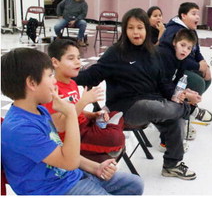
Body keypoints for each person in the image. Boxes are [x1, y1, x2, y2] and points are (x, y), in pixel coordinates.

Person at [73, 8, 196, 180]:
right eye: (130, 28)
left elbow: (163, 83)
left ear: (146, 29)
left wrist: (178, 95)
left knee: (173, 117)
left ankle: (172, 165)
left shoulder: (154, 53)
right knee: (161, 108)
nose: (135, 32)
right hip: (125, 108)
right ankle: (187, 110)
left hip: (152, 104)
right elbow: (93, 74)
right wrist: (66, 77)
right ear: (124, 30)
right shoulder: (116, 53)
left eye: (140, 27)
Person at [1, 48, 143, 195]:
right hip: (54, 190)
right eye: (50, 75)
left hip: (71, 177)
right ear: (32, 83)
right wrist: (69, 113)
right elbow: (69, 162)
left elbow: (60, 149)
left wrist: (95, 168)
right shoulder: (20, 128)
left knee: (135, 184)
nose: (54, 81)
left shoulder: (40, 111)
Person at [42, 39, 126, 163]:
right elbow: (59, 126)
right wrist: (83, 101)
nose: (77, 62)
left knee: (115, 114)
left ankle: (105, 133)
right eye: (71, 58)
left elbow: (78, 111)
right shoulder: (52, 90)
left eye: (78, 57)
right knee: (114, 138)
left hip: (84, 125)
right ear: (55, 62)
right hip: (73, 136)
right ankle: (107, 142)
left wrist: (92, 115)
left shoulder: (72, 83)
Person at [160, 2, 212, 122]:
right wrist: (199, 66)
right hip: (176, 68)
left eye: (198, 14)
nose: (197, 17)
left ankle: (189, 105)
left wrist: (204, 64)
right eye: (193, 14)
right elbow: (178, 59)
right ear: (183, 16)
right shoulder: (173, 31)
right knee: (198, 82)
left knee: (207, 78)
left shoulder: (191, 30)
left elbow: (196, 50)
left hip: (185, 65)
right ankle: (184, 113)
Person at [157, 28, 202, 150]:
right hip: (150, 93)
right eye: (182, 45)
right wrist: (182, 94)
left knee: (181, 103)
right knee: (178, 107)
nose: (185, 50)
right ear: (174, 43)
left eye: (188, 48)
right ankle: (166, 143)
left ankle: (174, 138)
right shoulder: (164, 55)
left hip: (163, 91)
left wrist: (186, 92)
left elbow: (176, 82)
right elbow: (162, 83)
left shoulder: (182, 59)